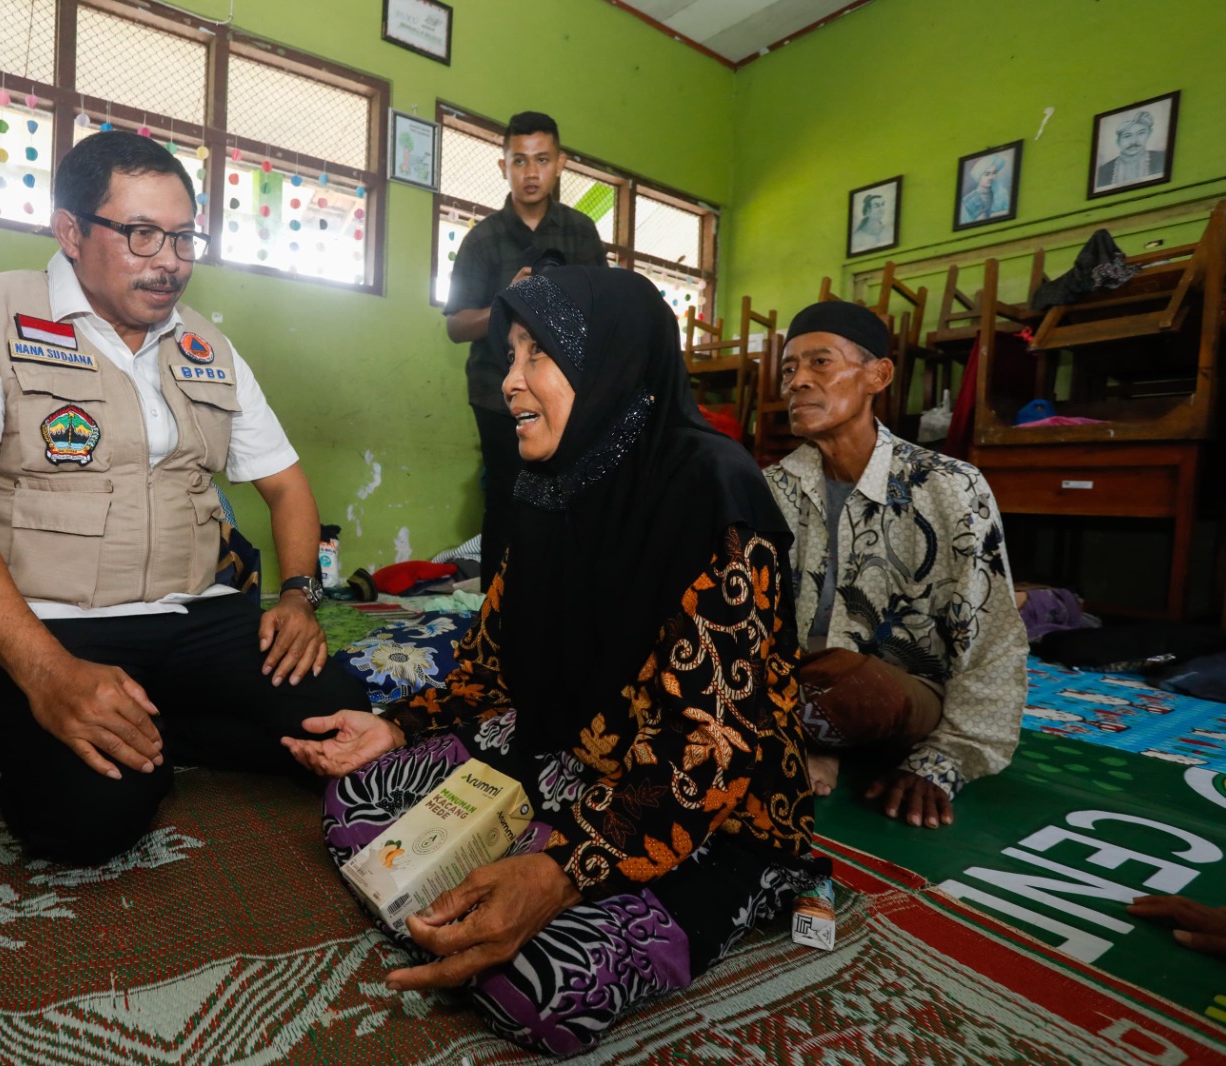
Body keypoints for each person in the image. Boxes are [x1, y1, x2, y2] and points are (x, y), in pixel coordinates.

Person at [287, 267, 826, 1055]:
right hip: (569, 753)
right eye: (509, 356)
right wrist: (395, 729)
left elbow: (712, 749)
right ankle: (530, 841)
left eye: (537, 355)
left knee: (536, 987)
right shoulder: (545, 484)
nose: (510, 383)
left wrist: (561, 871)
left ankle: (760, 883)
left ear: (609, 361)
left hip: (707, 804)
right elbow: (493, 665)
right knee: (356, 809)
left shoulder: (714, 495)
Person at [0, 131, 369, 865]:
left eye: (182, 237)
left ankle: (160, 724)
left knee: (346, 723)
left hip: (196, 613)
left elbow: (285, 483)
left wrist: (297, 598)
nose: (168, 261)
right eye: (141, 234)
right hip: (48, 626)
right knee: (87, 819)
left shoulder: (208, 346)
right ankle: (83, 726)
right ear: (70, 231)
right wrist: (45, 673)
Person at [763, 301, 1028, 830]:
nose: (796, 383)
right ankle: (807, 736)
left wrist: (944, 760)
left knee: (852, 686)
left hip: (891, 690)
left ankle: (802, 736)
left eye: (820, 363)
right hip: (793, 679)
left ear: (877, 375)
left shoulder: (950, 486)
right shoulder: (774, 487)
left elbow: (991, 634)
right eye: (789, 369)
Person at [444, 112, 607, 588]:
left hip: (568, 394)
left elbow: (604, 312)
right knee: (505, 498)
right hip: (499, 394)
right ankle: (495, 613)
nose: (531, 172)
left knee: (571, 496)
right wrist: (505, 303)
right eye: (519, 161)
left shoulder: (581, 233)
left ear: (560, 164)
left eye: (541, 160)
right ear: (503, 167)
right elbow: (456, 325)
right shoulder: (483, 239)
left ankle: (562, 601)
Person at [1095, 111, 1166, 189]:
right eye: (1127, 136)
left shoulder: (1162, 158)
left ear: (1149, 134)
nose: (1134, 141)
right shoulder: (1103, 171)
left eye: (1140, 133)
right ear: (1118, 141)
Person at [959, 155, 1008, 223]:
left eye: (994, 173)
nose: (991, 177)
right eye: (987, 174)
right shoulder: (968, 200)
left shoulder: (1001, 194)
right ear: (979, 176)